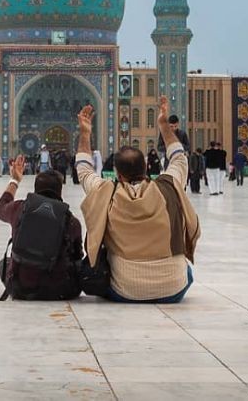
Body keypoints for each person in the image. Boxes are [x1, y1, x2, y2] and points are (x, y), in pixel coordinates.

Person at [76, 97, 201, 304]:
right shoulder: (168, 186)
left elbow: (83, 168)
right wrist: (163, 126)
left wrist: (85, 134)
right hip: (173, 289)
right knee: (185, 270)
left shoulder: (107, 192)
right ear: (145, 169)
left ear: (118, 173)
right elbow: (179, 157)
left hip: (125, 290)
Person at [0, 155, 83, 300]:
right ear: (60, 192)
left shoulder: (19, 209)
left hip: (21, 287)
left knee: (3, 264)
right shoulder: (71, 221)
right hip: (60, 290)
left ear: (35, 189)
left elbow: (0, 208)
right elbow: (78, 257)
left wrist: (15, 181)